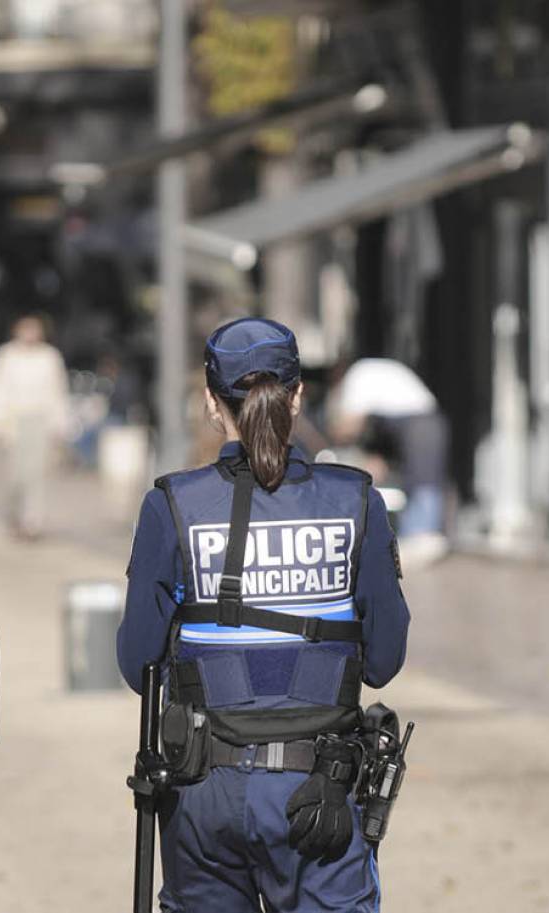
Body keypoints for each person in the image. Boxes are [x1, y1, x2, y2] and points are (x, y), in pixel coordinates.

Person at [118, 317, 411, 912]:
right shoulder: (356, 500)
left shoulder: (171, 503)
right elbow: (383, 661)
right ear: (298, 395)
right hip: (318, 790)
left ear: (209, 403)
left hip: (203, 792)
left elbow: (136, 663)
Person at [329, 357, 450, 562]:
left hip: (420, 426)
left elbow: (351, 423)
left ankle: (423, 537)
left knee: (424, 483)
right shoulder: (372, 376)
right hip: (422, 423)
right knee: (416, 483)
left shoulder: (357, 377)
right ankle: (417, 537)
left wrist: (333, 437)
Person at [0, 314, 71, 540]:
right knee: (16, 474)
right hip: (13, 421)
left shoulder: (49, 357)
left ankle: (32, 522)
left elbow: (57, 390)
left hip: (39, 421)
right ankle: (15, 515)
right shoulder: (6, 355)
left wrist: (60, 423)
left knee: (36, 473)